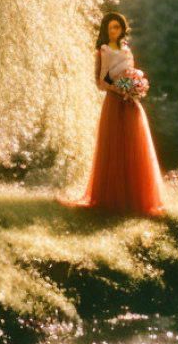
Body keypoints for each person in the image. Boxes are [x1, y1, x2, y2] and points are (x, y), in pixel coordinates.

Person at [70, 12, 165, 216]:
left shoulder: (127, 50)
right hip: (114, 101)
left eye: (119, 27)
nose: (116, 31)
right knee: (114, 146)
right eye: (112, 27)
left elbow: (130, 72)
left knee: (134, 145)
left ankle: (136, 198)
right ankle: (112, 199)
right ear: (106, 29)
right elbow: (101, 81)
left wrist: (133, 86)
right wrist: (119, 89)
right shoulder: (103, 51)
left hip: (130, 102)